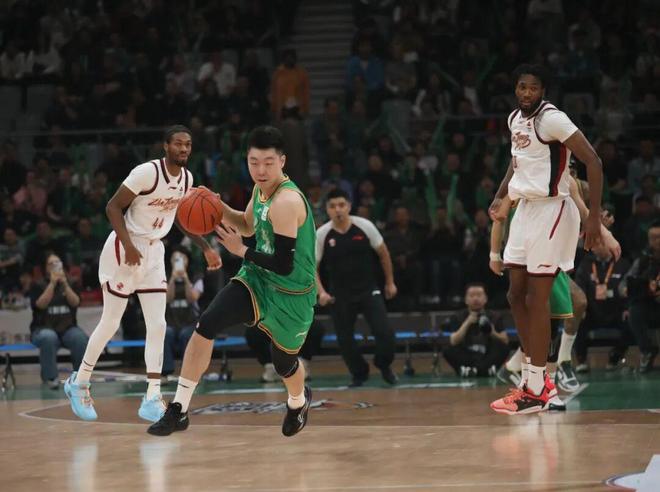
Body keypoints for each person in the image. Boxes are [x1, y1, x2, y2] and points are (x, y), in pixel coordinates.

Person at [148, 126, 317, 437]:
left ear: (282, 161)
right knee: (207, 323)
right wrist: (216, 205)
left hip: (292, 292)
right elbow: (248, 225)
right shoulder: (260, 190)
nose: (260, 170)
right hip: (257, 279)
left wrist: (240, 251)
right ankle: (179, 409)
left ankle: (298, 401)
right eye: (254, 162)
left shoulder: (286, 201)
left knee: (284, 363)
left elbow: (283, 264)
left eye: (268, 163)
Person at [64, 125, 221, 422]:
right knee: (111, 322)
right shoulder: (147, 173)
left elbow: (181, 218)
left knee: (158, 325)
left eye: (188, 144)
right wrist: (128, 245)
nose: (184, 149)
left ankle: (152, 396)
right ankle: (79, 381)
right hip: (125, 246)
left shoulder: (187, 179)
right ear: (166, 146)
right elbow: (113, 207)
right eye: (178, 144)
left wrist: (205, 247)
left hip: (154, 251)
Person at [488, 64, 606, 415]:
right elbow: (516, 161)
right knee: (515, 294)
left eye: (533, 88)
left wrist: (594, 218)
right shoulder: (514, 119)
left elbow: (594, 162)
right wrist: (500, 194)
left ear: (543, 91)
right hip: (525, 209)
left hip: (553, 209)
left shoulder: (552, 119)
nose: (526, 93)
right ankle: (532, 381)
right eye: (522, 87)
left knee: (537, 298)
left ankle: (538, 388)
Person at [315, 188, 398, 386]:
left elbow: (384, 254)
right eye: (332, 206)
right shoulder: (322, 234)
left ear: (349, 206)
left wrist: (390, 282)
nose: (338, 210)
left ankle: (383, 364)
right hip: (340, 294)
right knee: (345, 339)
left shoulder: (365, 226)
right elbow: (311, 267)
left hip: (368, 290)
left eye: (341, 205)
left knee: (385, 333)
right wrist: (321, 292)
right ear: (327, 209)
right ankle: (359, 373)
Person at [29, 253, 88, 389]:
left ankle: (80, 378)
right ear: (45, 267)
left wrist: (65, 284)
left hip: (67, 329)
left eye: (57, 263)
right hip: (43, 328)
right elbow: (40, 305)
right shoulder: (37, 284)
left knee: (80, 338)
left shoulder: (71, 282)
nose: (54, 266)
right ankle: (51, 378)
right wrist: (52, 283)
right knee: (48, 337)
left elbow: (75, 302)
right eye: (51, 264)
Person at [574, 240, 631, 371]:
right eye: (593, 246)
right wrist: (581, 308)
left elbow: (630, 288)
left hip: (616, 311)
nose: (594, 249)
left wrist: (627, 308)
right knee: (578, 320)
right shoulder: (586, 264)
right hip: (592, 311)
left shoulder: (622, 264)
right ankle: (581, 360)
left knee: (631, 320)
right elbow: (579, 288)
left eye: (598, 245)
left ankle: (615, 357)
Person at [442, 283, 509, 377]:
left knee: (504, 348)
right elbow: (453, 341)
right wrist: (467, 322)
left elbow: (505, 340)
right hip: (467, 355)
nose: (475, 299)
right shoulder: (457, 316)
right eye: (472, 295)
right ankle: (486, 370)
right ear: (466, 300)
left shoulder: (495, 316)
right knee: (447, 349)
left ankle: (469, 371)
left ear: (485, 299)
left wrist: (492, 332)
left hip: (486, 355)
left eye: (479, 295)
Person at [620, 220, 660, 372]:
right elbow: (624, 284)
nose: (657, 241)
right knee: (634, 311)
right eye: (653, 238)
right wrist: (625, 289)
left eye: (659, 237)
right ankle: (647, 351)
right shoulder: (643, 261)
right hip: (650, 305)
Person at [163, 248, 204, 376]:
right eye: (175, 259)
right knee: (165, 333)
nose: (179, 261)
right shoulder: (164, 276)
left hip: (190, 321)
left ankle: (188, 371)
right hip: (171, 320)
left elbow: (192, 298)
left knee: (185, 335)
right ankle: (166, 371)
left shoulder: (196, 277)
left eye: (182, 258)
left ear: (187, 260)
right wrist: (172, 280)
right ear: (171, 261)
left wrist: (186, 279)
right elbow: (167, 299)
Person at [245, 320, 324, 382]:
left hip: (297, 318)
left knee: (316, 327)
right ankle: (271, 367)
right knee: (253, 330)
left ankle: (301, 365)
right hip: (272, 318)